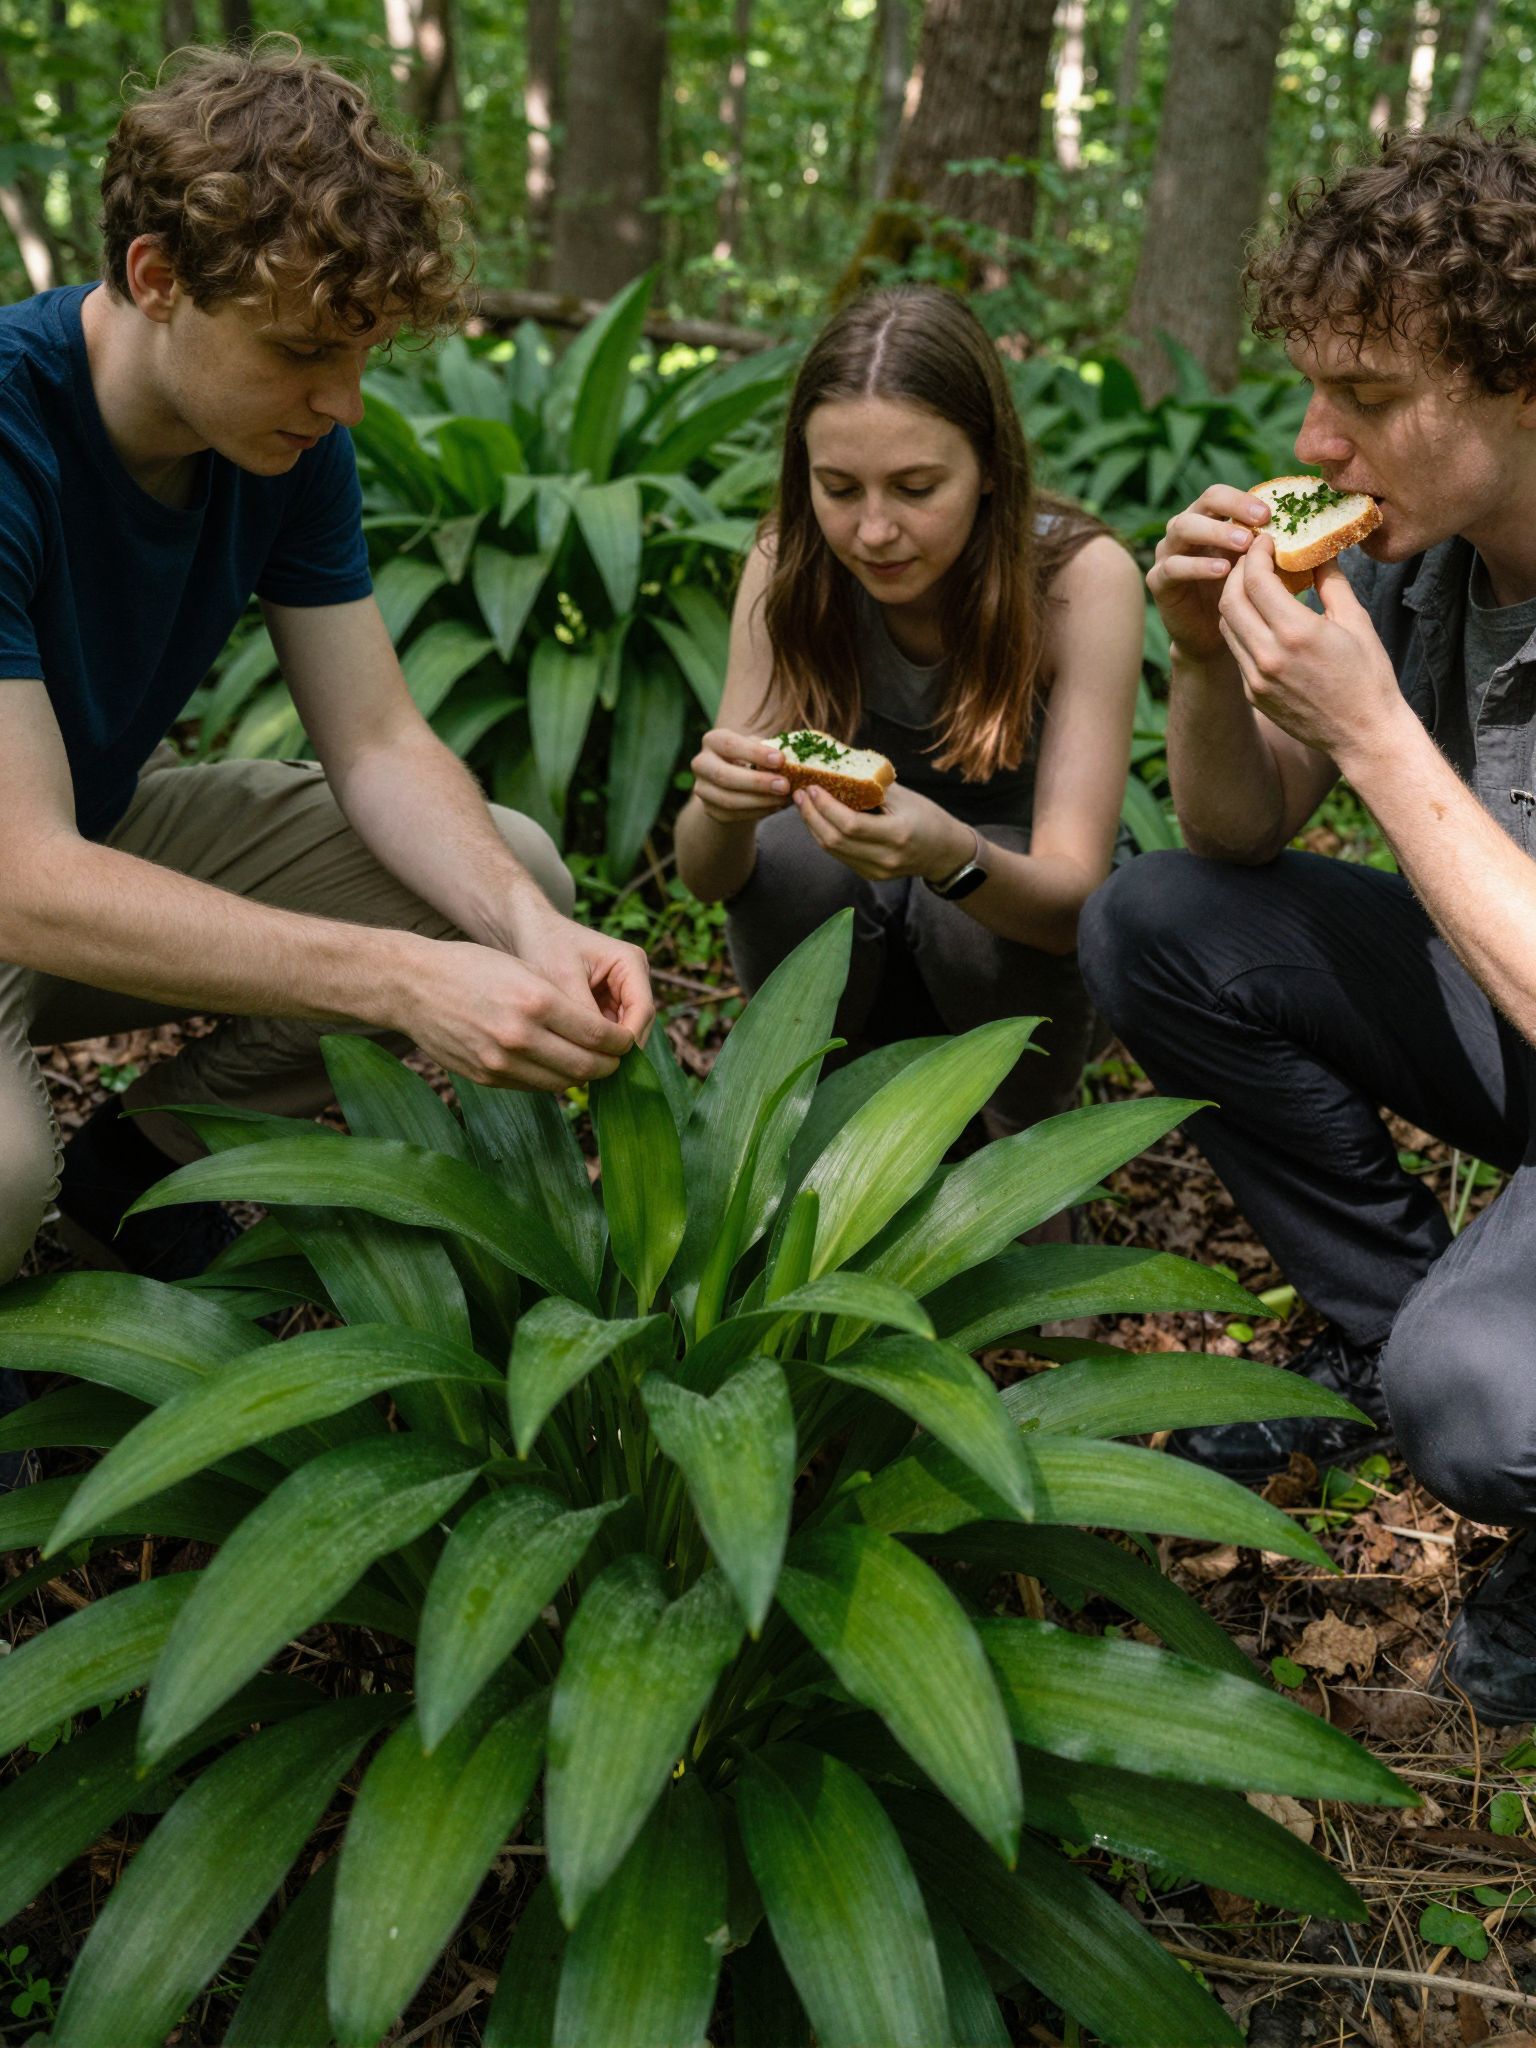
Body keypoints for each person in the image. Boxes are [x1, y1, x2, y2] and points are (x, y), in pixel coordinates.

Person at [0, 45, 652, 1322]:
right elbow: (23, 882)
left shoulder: (278, 436)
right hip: (25, 867)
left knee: (512, 870)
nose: (343, 403)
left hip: (67, 837)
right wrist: (398, 983)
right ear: (155, 277)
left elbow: (378, 743)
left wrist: (531, 934)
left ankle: (139, 1174)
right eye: (304, 350)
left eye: (360, 355)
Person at [1078, 123, 1536, 1722]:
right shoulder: (1429, 570)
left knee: (1479, 1402)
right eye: (1310, 388)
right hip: (1508, 1022)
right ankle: (1383, 1312)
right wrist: (1204, 653)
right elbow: (1233, 831)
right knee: (1161, 920)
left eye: (1369, 395)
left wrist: (1377, 739)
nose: (1312, 437)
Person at [675, 285, 1142, 1153]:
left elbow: (1076, 901)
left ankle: (1028, 1152)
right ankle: (796, 1112)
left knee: (960, 907)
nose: (875, 530)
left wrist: (953, 857)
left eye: (917, 487)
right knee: (787, 851)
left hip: (1020, 966)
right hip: (856, 962)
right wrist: (717, 809)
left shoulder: (1082, 582)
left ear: (991, 466)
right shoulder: (785, 567)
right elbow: (709, 877)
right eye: (839, 488)